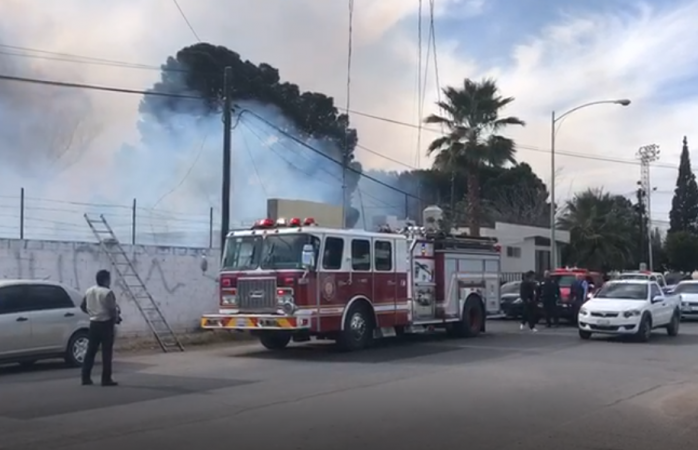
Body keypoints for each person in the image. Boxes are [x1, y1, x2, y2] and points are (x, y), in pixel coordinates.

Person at [80, 269, 120, 387]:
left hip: (93, 323)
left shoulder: (89, 291)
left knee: (90, 352)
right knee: (106, 353)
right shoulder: (107, 292)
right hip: (106, 323)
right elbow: (112, 310)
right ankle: (106, 378)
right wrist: (115, 319)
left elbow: (83, 306)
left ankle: (85, 377)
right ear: (106, 280)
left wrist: (92, 313)